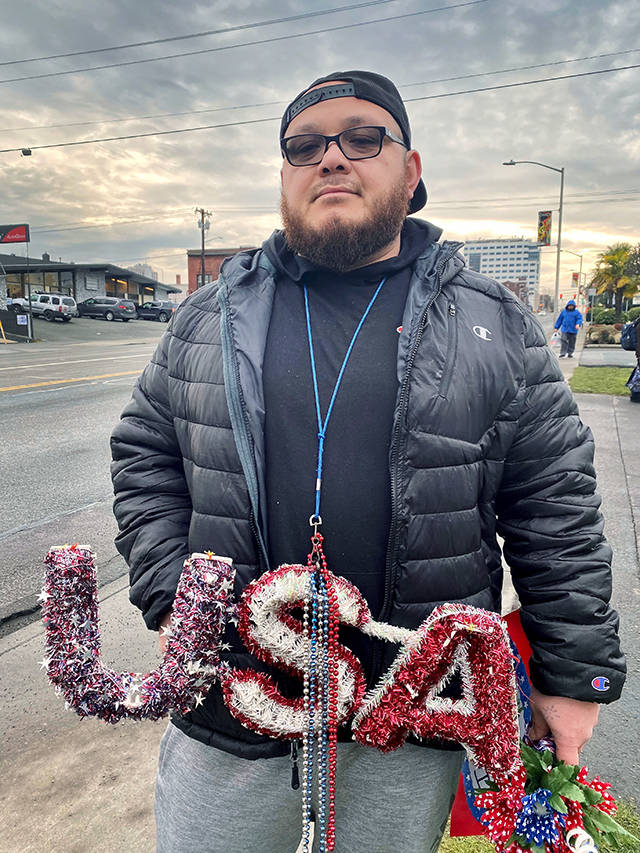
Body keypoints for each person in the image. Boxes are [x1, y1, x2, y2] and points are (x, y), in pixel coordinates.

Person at [110, 71, 626, 853]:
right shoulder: (207, 318)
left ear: (410, 171)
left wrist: (570, 673)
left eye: (362, 138)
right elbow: (144, 452)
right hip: (231, 708)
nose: (332, 159)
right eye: (305, 145)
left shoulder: (494, 325)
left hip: (407, 714)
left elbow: (555, 505)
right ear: (285, 174)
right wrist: (173, 599)